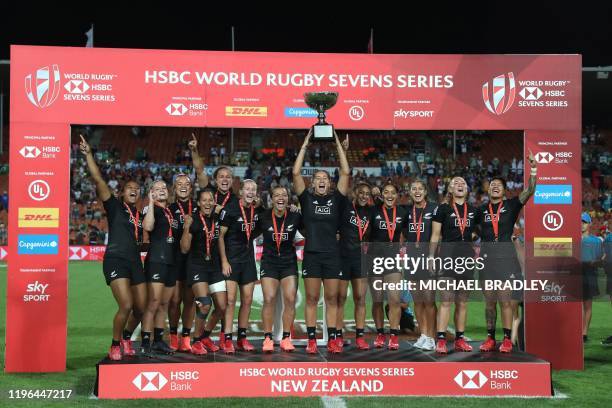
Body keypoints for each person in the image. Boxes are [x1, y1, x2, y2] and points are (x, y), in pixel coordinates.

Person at [80, 135, 146, 361]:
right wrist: (88, 155)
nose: (133, 190)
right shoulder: (115, 207)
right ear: (121, 192)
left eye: (137, 189)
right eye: (129, 188)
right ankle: (115, 344)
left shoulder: (139, 215)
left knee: (141, 309)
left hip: (135, 261)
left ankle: (127, 337)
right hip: (116, 259)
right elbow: (99, 180)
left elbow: (138, 240)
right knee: (126, 305)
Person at [292, 129, 351, 354]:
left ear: (330, 183)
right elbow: (296, 173)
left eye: (325, 178)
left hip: (333, 255)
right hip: (312, 255)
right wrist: (306, 143)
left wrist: (337, 143)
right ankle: (311, 340)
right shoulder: (306, 199)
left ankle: (335, 338)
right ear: (313, 183)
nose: (321, 180)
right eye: (317, 178)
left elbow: (345, 172)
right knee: (312, 298)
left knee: (333, 298)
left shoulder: (337, 199)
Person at [479, 151, 537, 353]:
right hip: (486, 260)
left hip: (505, 260)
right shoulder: (480, 211)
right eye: (492, 185)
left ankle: (506, 339)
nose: (494, 187)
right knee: (489, 303)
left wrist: (534, 168)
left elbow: (530, 190)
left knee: (505, 301)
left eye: (499, 186)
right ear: (488, 190)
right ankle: (489, 338)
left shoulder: (512, 205)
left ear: (504, 191)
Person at [429, 176, 481, 354]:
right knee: (446, 299)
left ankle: (460, 339)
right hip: (447, 257)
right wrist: (430, 256)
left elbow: (478, 231)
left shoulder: (473, 211)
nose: (460, 185)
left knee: (462, 302)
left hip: (466, 258)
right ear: (450, 190)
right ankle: (441, 339)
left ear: (467, 190)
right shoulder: (442, 209)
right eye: (455, 183)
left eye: (463, 183)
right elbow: (435, 235)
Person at [167, 135, 209, 352]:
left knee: (190, 301)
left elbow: (201, 175)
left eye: (186, 184)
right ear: (174, 188)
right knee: (174, 301)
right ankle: (173, 334)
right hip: (174, 259)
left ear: (191, 188)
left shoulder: (198, 205)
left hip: (193, 259)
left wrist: (194, 151)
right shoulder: (169, 207)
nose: (183, 186)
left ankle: (186, 336)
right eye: (179, 184)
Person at [218, 179, 262, 354]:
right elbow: (220, 236)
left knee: (248, 300)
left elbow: (258, 229)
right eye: (248, 189)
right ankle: (227, 338)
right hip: (231, 261)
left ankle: (242, 338)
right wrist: (224, 261)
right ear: (241, 191)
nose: (251, 192)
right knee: (229, 301)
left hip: (248, 261)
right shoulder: (230, 210)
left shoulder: (257, 210)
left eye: (254, 189)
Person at [180, 189, 225, 354]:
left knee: (222, 307)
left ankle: (205, 336)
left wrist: (224, 261)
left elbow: (219, 239)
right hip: (197, 267)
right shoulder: (193, 221)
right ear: (198, 203)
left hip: (214, 267)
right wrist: (186, 228)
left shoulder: (216, 219)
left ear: (214, 202)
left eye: (210, 200)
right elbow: (184, 249)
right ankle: (196, 341)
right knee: (205, 304)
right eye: (204, 200)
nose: (207, 203)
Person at [258, 186, 302, 352]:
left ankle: (285, 338)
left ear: (288, 199)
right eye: (277, 195)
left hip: (288, 262)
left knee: (290, 299)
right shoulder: (263, 216)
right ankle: (268, 338)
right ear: (272, 199)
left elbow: (309, 230)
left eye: (284, 195)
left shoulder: (295, 216)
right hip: (269, 262)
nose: (281, 198)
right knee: (269, 299)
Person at [140, 180, 180, 354]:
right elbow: (147, 227)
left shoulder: (171, 211)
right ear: (152, 193)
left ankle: (158, 340)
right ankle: (145, 342)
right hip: (156, 260)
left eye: (164, 187)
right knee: (153, 302)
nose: (162, 190)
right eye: (157, 189)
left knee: (164, 303)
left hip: (172, 262)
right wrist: (150, 202)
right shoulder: (152, 209)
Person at [368, 183, 409, 350]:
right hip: (374, 259)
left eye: (393, 192)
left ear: (397, 195)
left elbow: (407, 234)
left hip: (392, 260)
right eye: (386, 192)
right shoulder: (374, 211)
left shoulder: (402, 213)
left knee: (394, 299)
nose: (390, 195)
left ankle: (393, 335)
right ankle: (380, 333)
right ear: (382, 195)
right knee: (377, 299)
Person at [337, 182, 373, 350]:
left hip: (360, 259)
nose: (364, 196)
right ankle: (337, 335)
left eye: (367, 193)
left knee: (360, 298)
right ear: (355, 193)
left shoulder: (371, 211)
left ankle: (360, 336)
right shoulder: (345, 207)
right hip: (343, 257)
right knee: (340, 298)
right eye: (361, 192)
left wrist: (378, 194)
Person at [404, 179, 437, 351]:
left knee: (429, 300)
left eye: (420, 189)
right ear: (410, 192)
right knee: (417, 300)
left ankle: (431, 337)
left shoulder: (434, 209)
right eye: (413, 188)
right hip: (411, 258)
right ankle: (423, 335)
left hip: (428, 259)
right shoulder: (406, 211)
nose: (417, 191)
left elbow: (438, 234)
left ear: (425, 192)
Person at [581, 212, 604, 342]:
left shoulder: (596, 241)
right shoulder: (572, 239)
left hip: (589, 274)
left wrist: (594, 262)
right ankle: (575, 330)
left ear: (589, 224)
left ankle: (584, 333)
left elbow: (601, 260)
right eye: (580, 222)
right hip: (575, 274)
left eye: (584, 222)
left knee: (587, 305)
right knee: (575, 305)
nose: (581, 224)